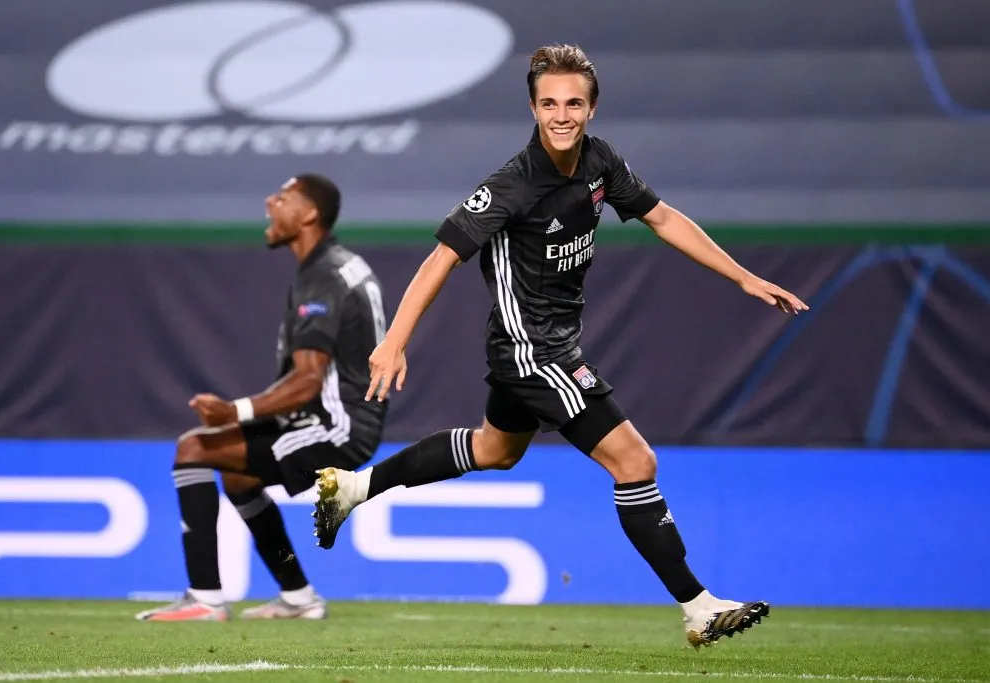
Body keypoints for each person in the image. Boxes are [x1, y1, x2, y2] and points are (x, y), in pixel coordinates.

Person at [311, 45, 809, 647]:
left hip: (547, 346)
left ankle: (355, 488)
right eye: (549, 103)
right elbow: (440, 258)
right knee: (636, 463)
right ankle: (698, 605)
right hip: (532, 354)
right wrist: (394, 341)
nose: (561, 114)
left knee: (496, 450)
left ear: (592, 109)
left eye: (573, 102)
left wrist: (744, 277)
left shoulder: (600, 163)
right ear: (533, 108)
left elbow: (662, 217)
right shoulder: (511, 186)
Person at [136, 173, 389, 621]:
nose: (269, 202)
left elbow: (309, 380)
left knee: (194, 447)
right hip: (338, 415)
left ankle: (205, 598)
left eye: (283, 196)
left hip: (336, 424)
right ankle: (297, 596)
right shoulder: (338, 264)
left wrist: (237, 410)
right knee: (238, 477)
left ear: (309, 213)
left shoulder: (322, 275)